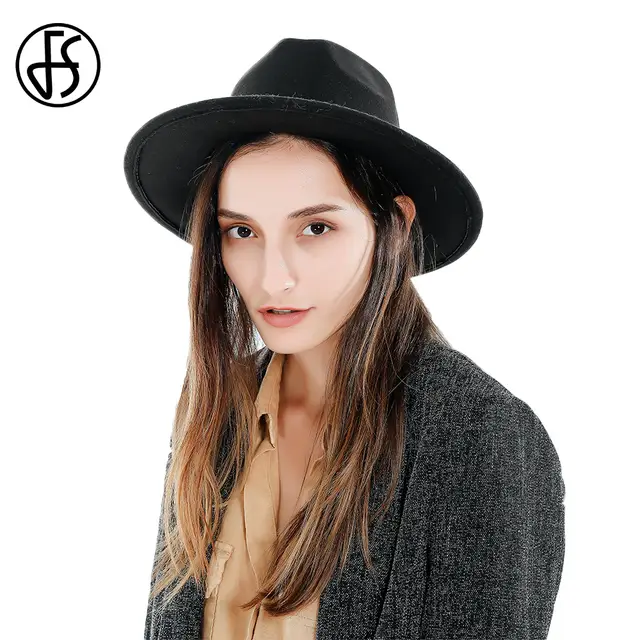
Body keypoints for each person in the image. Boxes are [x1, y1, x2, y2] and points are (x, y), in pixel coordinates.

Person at [124, 39, 565, 640]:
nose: (272, 277)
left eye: (315, 227)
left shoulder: (478, 434)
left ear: (394, 225)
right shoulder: (217, 410)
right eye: (242, 231)